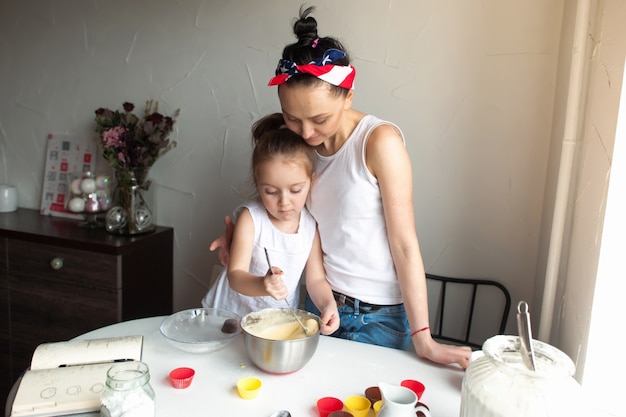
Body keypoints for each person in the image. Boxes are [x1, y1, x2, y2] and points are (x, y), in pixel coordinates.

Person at [211, 6, 471, 367]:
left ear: (348, 94)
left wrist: (423, 337)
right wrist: (242, 235)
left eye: (320, 119)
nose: (306, 133)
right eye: (292, 118)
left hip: (378, 317)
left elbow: (405, 244)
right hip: (317, 305)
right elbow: (280, 200)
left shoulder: (379, 143)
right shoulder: (300, 143)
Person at [202, 113, 339, 336]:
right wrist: (263, 285)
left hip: (273, 326)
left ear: (311, 181)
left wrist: (328, 305)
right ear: (258, 184)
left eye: (295, 190)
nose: (284, 202)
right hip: (227, 320)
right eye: (271, 191)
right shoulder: (252, 218)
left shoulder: (310, 226)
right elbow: (235, 275)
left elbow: (315, 280)